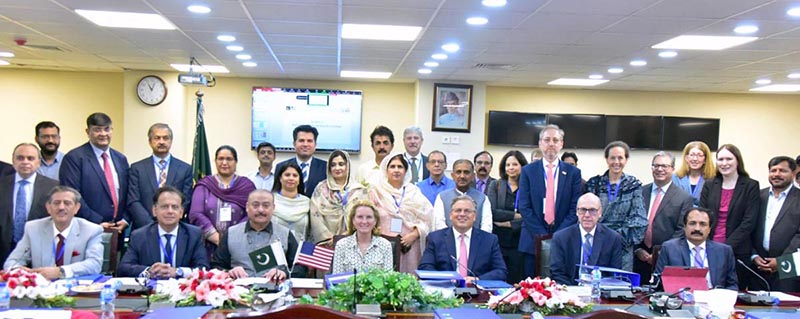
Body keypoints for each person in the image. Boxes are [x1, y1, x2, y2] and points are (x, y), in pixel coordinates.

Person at [518, 125, 582, 277]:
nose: (551, 143)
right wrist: (542, 235)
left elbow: (574, 208)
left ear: (561, 144)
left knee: (560, 285)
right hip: (532, 239)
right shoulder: (527, 171)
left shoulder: (573, 173)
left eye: (555, 140)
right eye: (547, 140)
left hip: (563, 239)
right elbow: (524, 206)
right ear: (540, 143)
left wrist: (558, 235)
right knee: (532, 286)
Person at [4, 186, 103, 280]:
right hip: (41, 288)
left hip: (75, 288)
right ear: (48, 207)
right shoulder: (33, 228)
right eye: (56, 203)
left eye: (67, 203)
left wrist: (60, 272)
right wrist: (19, 271)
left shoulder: (91, 230)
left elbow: (95, 264)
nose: (61, 207)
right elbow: (12, 261)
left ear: (76, 208)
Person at [699, 144, 759, 288]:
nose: (724, 163)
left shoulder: (750, 185)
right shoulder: (709, 184)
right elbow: (701, 215)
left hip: (738, 250)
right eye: (720, 159)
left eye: (729, 159)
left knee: (734, 292)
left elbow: (749, 222)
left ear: (737, 160)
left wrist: (726, 247)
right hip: (709, 247)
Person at [60, 112, 130, 233]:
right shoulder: (74, 158)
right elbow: (72, 195)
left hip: (118, 228)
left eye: (107, 129)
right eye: (97, 130)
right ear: (88, 132)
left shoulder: (121, 159)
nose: (103, 134)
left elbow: (128, 192)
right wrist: (96, 221)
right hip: (87, 228)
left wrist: (125, 219)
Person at [118, 187, 209, 278]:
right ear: (154, 210)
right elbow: (124, 268)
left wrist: (178, 272)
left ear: (181, 212)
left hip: (181, 286)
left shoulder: (194, 235)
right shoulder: (139, 236)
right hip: (150, 286)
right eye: (165, 207)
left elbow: (203, 268)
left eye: (175, 207)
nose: (170, 211)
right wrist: (149, 271)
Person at [212, 190, 304, 280]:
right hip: (239, 288)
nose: (260, 210)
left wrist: (284, 273)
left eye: (266, 205)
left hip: (276, 288)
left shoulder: (285, 234)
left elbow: (300, 268)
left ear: (273, 208)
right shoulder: (231, 233)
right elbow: (216, 267)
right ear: (247, 207)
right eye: (255, 205)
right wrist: (229, 272)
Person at [585, 141, 647, 272]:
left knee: (620, 282)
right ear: (606, 159)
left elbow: (639, 219)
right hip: (596, 244)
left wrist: (615, 238)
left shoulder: (633, 185)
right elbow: (587, 214)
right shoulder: (594, 184)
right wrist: (601, 237)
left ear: (626, 159)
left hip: (623, 246)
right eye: (612, 158)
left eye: (620, 158)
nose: (616, 162)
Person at [419, 195, 507, 283]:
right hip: (445, 288)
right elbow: (425, 267)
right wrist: (447, 279)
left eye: (467, 211)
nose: (462, 214)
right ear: (450, 215)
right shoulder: (435, 238)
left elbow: (501, 271)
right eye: (458, 210)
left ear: (474, 216)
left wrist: (477, 280)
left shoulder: (489, 240)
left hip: (476, 289)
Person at [368, 153, 433, 273]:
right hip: (382, 245)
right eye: (392, 166)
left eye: (400, 167)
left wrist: (414, 235)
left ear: (406, 171)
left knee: (408, 280)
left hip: (409, 247)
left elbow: (428, 219)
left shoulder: (414, 192)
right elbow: (367, 219)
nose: (396, 170)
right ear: (386, 170)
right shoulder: (376, 192)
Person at [634, 152, 693, 282]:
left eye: (664, 166)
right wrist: (637, 249)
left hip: (667, 257)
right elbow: (631, 221)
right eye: (656, 166)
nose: (660, 169)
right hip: (639, 257)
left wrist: (661, 252)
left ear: (673, 169)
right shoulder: (640, 192)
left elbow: (681, 229)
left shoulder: (684, 198)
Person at [189, 145, 255, 257]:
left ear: (236, 162)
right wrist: (217, 239)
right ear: (215, 161)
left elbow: (252, 214)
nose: (224, 163)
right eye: (220, 159)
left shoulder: (246, 186)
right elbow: (196, 214)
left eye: (229, 159)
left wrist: (233, 238)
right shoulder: (204, 185)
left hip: (239, 244)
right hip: (208, 246)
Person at [0, 143, 59, 264]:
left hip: (38, 250)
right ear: (13, 161)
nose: (25, 162)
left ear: (38, 162)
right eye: (20, 158)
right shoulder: (2, 184)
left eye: (30, 158)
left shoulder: (53, 187)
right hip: (3, 250)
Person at [128, 123, 193, 230]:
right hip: (143, 229)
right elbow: (133, 200)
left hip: (174, 228)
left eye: (165, 138)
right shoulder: (137, 168)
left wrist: (168, 222)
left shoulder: (185, 169)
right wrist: (150, 226)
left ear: (171, 141)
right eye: (157, 138)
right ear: (150, 141)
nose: (161, 142)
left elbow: (186, 200)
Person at [655, 207, 738, 290]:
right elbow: (658, 282)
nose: (697, 228)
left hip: (714, 296)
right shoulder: (670, 248)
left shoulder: (724, 251)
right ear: (685, 227)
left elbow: (732, 285)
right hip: (680, 296)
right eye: (692, 223)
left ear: (709, 229)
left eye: (703, 224)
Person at [550, 193, 624, 285]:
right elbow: (557, 273)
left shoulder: (613, 238)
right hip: (570, 290)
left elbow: (614, 275)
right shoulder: (561, 238)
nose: (587, 215)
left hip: (600, 290)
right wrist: (574, 291)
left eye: (592, 210)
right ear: (577, 212)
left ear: (600, 212)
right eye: (583, 210)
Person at [751, 156, 800, 292]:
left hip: (789, 267)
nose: (777, 174)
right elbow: (748, 227)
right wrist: (754, 255)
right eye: (773, 170)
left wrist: (780, 262)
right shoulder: (758, 196)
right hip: (758, 267)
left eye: (782, 171)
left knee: (786, 303)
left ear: (793, 173)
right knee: (757, 303)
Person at [486, 150, 528, 283]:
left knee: (516, 279)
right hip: (499, 240)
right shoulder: (496, 185)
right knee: (499, 277)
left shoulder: (528, 186)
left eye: (515, 164)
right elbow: (493, 212)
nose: (511, 168)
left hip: (519, 240)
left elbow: (529, 215)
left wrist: (510, 223)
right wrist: (516, 215)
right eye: (508, 165)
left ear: (522, 166)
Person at [310, 150, 368, 244]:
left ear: (348, 166)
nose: (337, 168)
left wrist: (347, 236)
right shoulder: (321, 189)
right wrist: (328, 239)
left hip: (353, 242)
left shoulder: (359, 190)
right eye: (333, 165)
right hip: (327, 243)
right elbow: (315, 216)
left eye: (341, 164)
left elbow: (365, 217)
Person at [331, 201, 393, 274]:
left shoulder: (385, 245)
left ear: (375, 221)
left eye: (369, 217)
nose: (364, 221)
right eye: (360, 217)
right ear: (353, 220)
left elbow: (388, 277)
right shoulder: (341, 245)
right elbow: (337, 277)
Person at [433, 160, 493, 232]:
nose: (462, 176)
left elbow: (486, 226)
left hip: (477, 238)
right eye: (458, 172)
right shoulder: (442, 197)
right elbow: (439, 225)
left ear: (473, 176)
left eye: (466, 172)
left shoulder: (483, 198)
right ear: (452, 175)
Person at [274, 125, 327, 197]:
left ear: (315, 145)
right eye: (301, 140)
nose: (305, 144)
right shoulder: (281, 166)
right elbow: (277, 193)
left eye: (309, 141)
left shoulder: (325, 167)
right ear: (294, 144)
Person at [272, 162, 311, 242]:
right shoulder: (270, 201)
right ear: (280, 178)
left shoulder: (307, 203)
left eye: (295, 175)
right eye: (287, 175)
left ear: (299, 180)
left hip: (301, 248)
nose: (291, 178)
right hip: (274, 247)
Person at [673, 141, 716, 206]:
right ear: (686, 158)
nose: (695, 159)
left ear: (705, 159)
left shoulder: (713, 179)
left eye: (699, 155)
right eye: (692, 155)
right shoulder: (676, 178)